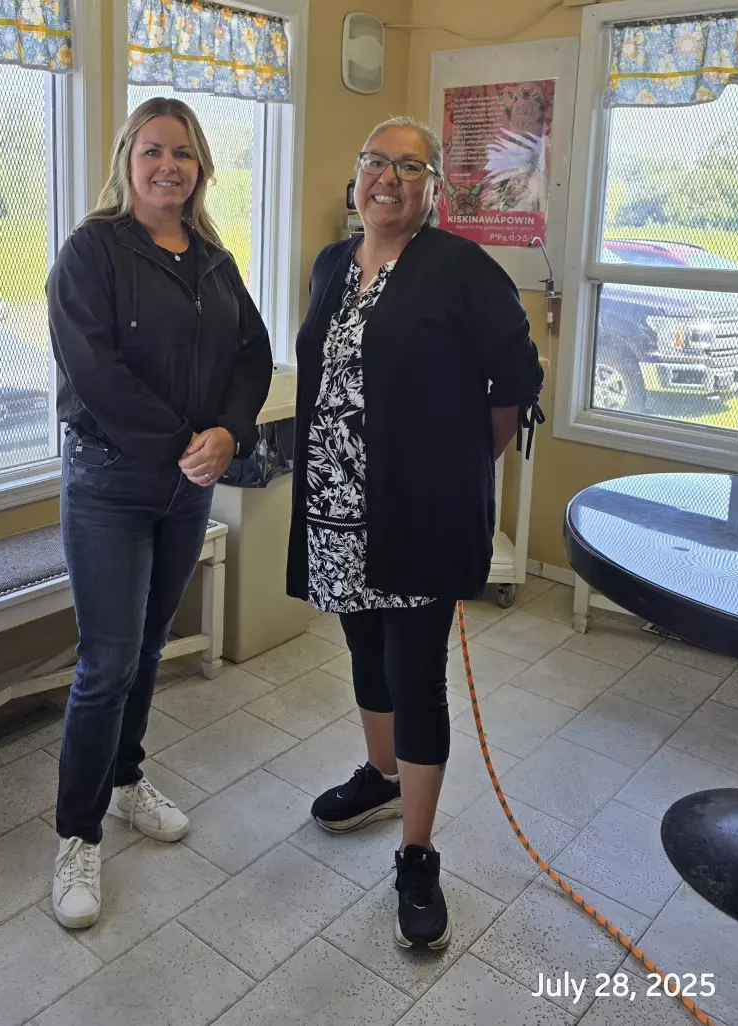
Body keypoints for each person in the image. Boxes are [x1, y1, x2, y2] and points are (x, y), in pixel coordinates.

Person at [285, 116, 543, 951]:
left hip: (419, 513)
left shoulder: (461, 269)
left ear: (435, 189)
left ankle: (418, 854)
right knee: (364, 653)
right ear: (356, 175)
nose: (387, 178)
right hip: (336, 509)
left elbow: (516, 380)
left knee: (416, 676)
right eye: (375, 162)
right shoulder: (332, 264)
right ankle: (382, 773)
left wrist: (458, 466)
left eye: (409, 166)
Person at [46, 97, 273, 930]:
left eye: (182, 153)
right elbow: (95, 372)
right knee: (106, 663)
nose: (168, 166)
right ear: (127, 160)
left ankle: (125, 779)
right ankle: (76, 836)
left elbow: (253, 354)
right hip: (109, 483)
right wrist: (188, 443)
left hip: (186, 487)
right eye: (152, 151)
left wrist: (230, 433)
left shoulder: (213, 259)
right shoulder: (91, 252)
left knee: (147, 647)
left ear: (200, 167)